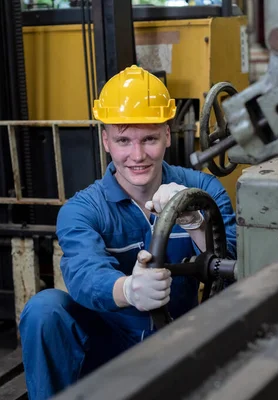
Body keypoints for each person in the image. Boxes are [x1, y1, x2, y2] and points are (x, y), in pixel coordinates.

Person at [18, 65, 237, 400]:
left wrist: (196, 223)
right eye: (123, 140)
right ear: (106, 140)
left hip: (184, 338)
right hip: (111, 348)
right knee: (44, 309)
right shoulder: (83, 210)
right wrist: (129, 289)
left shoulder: (202, 189)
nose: (137, 156)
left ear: (167, 133)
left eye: (149, 138)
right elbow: (83, 274)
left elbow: (235, 264)